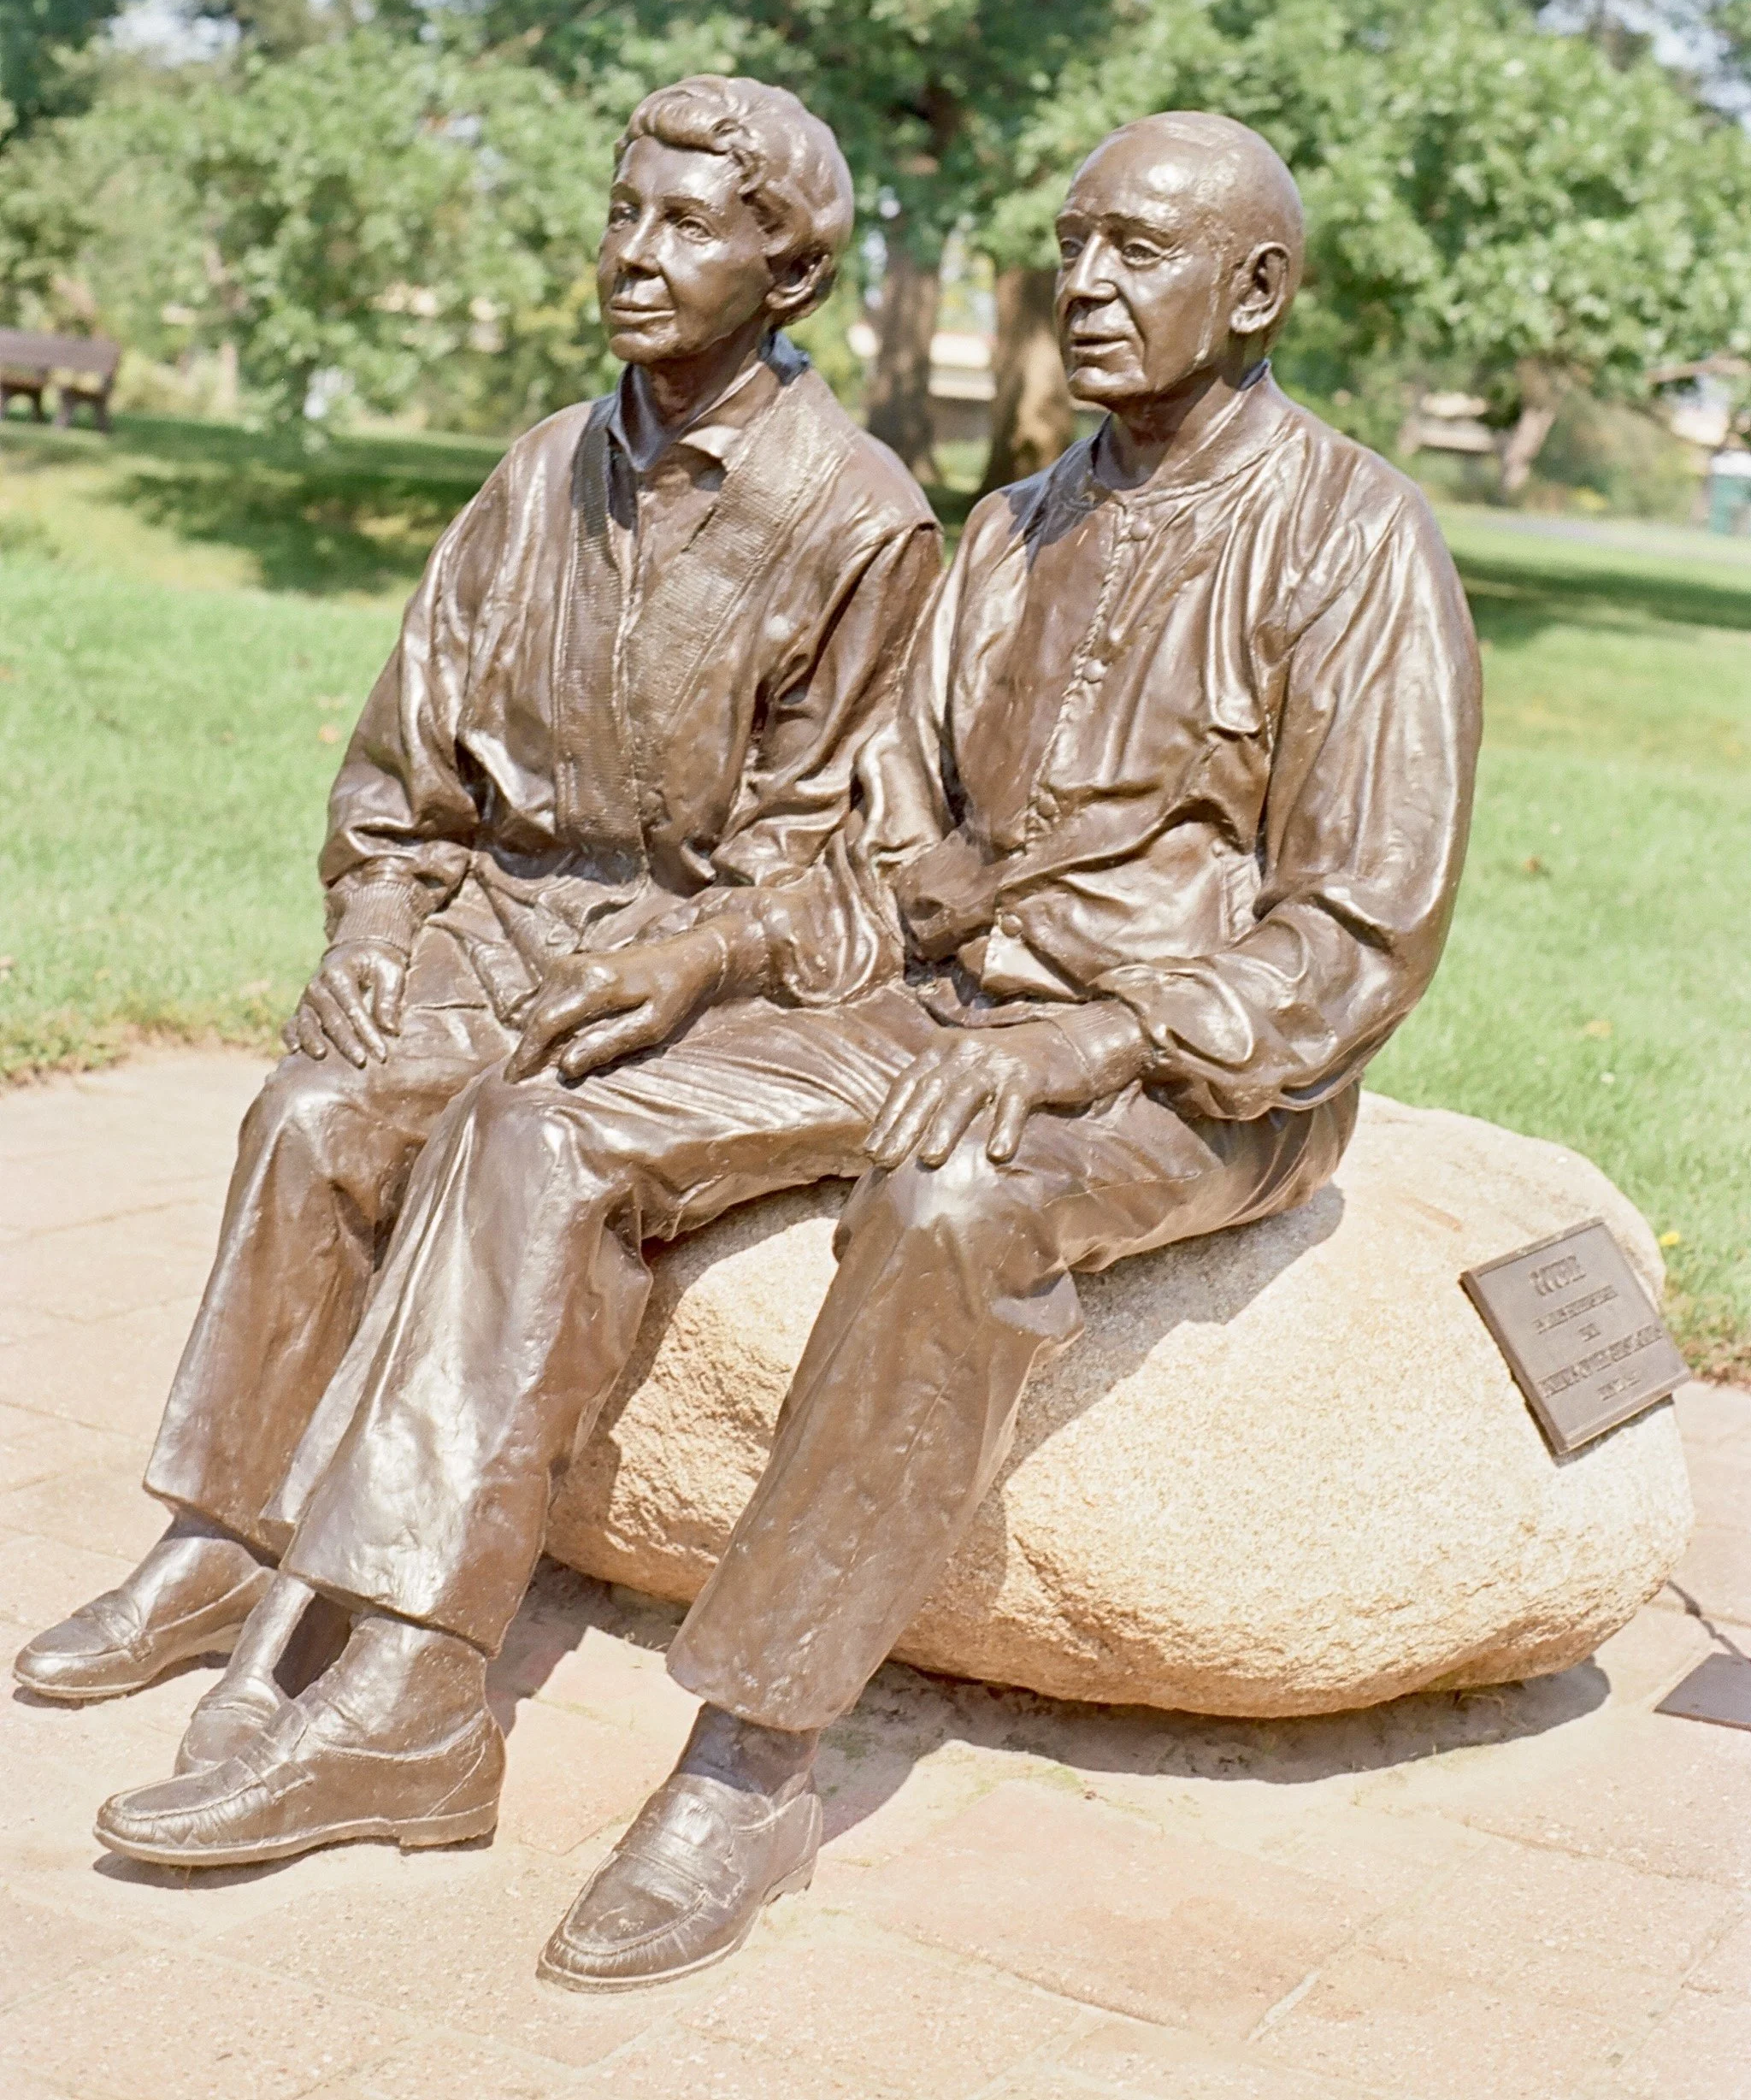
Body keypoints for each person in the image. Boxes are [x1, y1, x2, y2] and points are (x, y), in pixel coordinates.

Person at [90, 112, 1481, 1999]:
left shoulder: (1357, 539)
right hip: (949, 1004)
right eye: (1071, 241)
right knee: (540, 1114)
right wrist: (706, 951)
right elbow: (885, 867)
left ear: (1256, 290)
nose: (1084, 282)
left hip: (1193, 1068)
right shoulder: (1017, 526)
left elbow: (1353, 932)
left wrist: (1089, 1041)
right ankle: (413, 1693)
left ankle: (750, 1755)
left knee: (949, 1196)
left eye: (1138, 252)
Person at [14, 74, 940, 1747]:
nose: (634, 253)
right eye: (621, 210)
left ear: (788, 273)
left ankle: (402, 1644)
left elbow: (832, 861)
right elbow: (398, 770)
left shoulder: (855, 513)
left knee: (518, 1147)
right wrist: (374, 940)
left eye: (686, 222)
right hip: (489, 924)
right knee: (311, 1111)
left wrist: (681, 960)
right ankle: (223, 1538)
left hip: (684, 967)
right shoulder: (538, 474)